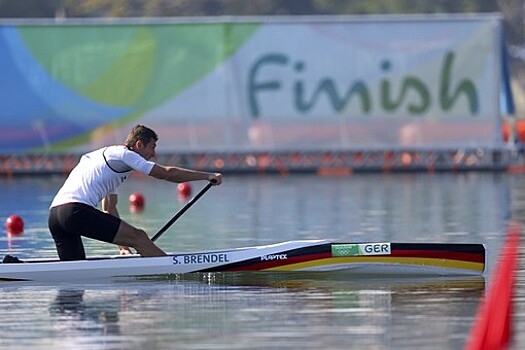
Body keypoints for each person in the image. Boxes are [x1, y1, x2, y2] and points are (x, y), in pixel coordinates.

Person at [48, 124, 222, 261]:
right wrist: (207, 176)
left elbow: (109, 208)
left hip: (55, 216)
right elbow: (167, 174)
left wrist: (123, 247)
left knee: (77, 273)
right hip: (75, 212)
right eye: (152, 147)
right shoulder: (124, 155)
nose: (153, 154)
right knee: (139, 237)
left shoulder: (107, 160)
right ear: (139, 144)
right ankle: (172, 269)